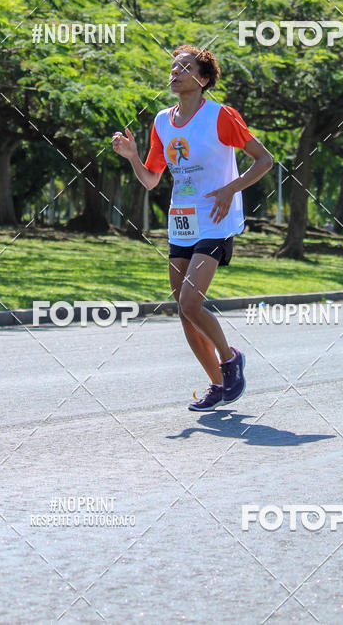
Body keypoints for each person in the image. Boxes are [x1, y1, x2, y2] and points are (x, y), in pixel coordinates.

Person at [112, 44, 273, 411]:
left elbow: (264, 160)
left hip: (216, 220)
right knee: (184, 310)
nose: (175, 72)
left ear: (202, 79)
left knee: (190, 300)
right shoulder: (161, 122)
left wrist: (230, 189)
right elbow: (152, 180)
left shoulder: (221, 116)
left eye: (184, 68)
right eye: (173, 67)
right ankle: (218, 385)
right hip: (181, 221)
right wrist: (134, 156)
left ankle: (230, 359)